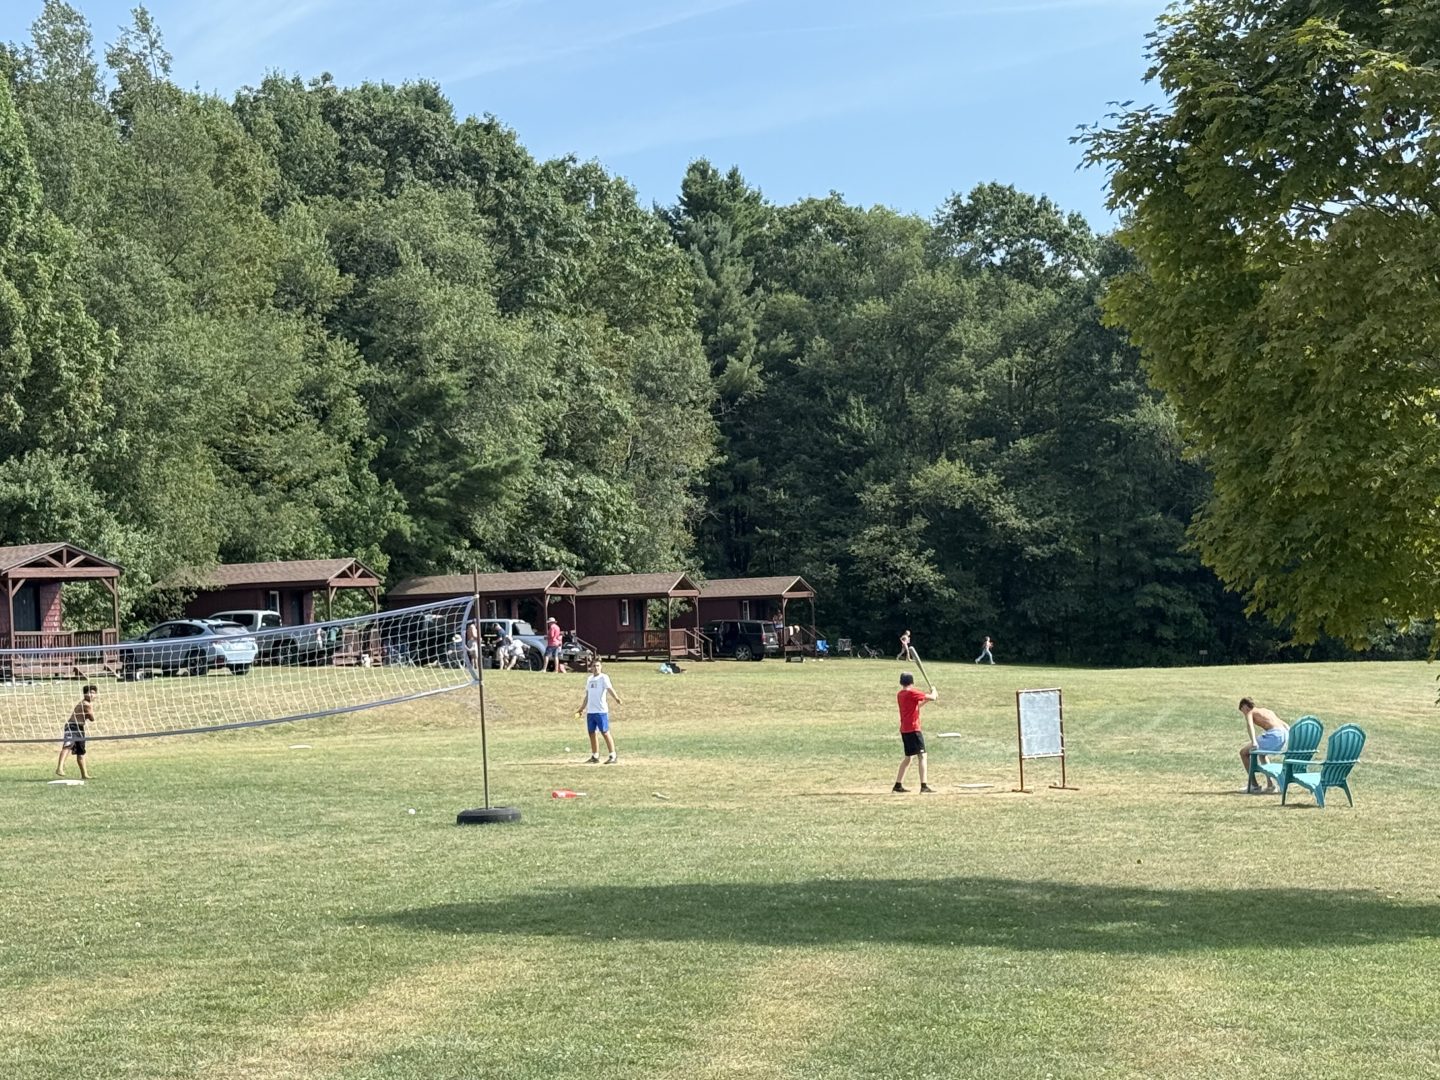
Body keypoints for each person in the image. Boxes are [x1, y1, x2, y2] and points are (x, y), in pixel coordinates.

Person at [894, 672, 938, 793]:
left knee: (908, 758)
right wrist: (933, 691)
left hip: (905, 729)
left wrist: (928, 698)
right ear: (912, 682)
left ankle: (898, 785)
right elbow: (933, 697)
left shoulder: (900, 694)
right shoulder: (912, 692)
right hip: (913, 729)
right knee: (922, 756)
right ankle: (924, 786)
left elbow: (916, 706)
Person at [576, 658, 622, 764]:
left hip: (601, 711)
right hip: (591, 711)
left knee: (605, 732)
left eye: (598, 666)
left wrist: (616, 698)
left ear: (601, 667)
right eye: (594, 666)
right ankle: (595, 756)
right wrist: (582, 708)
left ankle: (613, 755)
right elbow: (587, 696)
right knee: (592, 733)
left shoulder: (604, 678)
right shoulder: (589, 679)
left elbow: (610, 689)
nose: (596, 668)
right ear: (591, 668)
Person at [1238, 697, 1287, 794]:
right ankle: (1271, 785)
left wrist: (1254, 742)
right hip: (1283, 734)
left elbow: (1250, 726)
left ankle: (1254, 785)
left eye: (1242, 710)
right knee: (1262, 754)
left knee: (1243, 753)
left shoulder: (1250, 712)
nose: (1243, 713)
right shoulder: (1266, 711)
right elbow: (1284, 724)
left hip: (1274, 735)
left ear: (1245, 707)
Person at [56, 685, 97, 780]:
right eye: (89, 692)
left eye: (93, 693)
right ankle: (60, 768)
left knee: (81, 751)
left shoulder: (88, 704)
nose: (91, 695)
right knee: (68, 746)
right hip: (72, 726)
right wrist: (90, 715)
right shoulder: (86, 704)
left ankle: (84, 774)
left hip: (80, 727)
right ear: (84, 694)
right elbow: (92, 718)